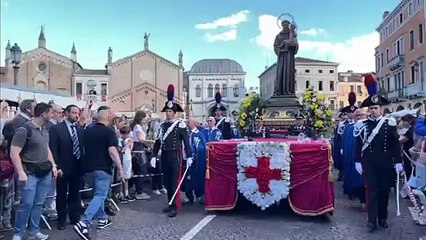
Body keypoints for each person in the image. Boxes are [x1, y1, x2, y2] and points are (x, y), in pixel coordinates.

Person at [354, 73, 403, 232]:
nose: (374, 111)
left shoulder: (390, 123)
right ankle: (371, 221)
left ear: (381, 108)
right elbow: (359, 143)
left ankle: (382, 217)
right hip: (370, 162)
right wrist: (357, 160)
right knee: (372, 191)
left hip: (386, 162)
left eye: (376, 108)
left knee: (383, 192)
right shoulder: (363, 125)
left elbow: (395, 144)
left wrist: (398, 162)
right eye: (371, 108)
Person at [73, 108, 124, 240]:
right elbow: (112, 151)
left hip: (88, 169)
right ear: (107, 118)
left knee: (97, 196)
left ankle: (102, 218)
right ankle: (84, 222)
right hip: (103, 168)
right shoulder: (109, 131)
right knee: (100, 195)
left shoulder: (88, 130)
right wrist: (121, 168)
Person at [10, 102, 57, 240]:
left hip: (45, 172)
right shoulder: (24, 130)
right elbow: (14, 153)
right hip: (30, 172)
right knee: (26, 204)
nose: (52, 115)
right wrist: (21, 172)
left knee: (38, 203)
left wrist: (53, 165)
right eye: (51, 112)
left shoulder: (44, 129)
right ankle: (18, 233)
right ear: (44, 114)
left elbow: (46, 148)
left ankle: (34, 231)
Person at [150, 84, 192, 218]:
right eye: (166, 111)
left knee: (174, 181)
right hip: (164, 155)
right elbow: (157, 142)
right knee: (167, 181)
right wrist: (153, 155)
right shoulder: (162, 126)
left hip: (175, 155)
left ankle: (174, 206)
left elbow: (186, 141)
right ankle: (170, 203)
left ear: (174, 113)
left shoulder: (180, 125)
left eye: (170, 112)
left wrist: (189, 156)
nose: (167, 113)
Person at [49, 104, 85, 230]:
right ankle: (62, 219)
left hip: (77, 166)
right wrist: (57, 166)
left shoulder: (79, 129)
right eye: (74, 113)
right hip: (63, 167)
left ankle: (74, 217)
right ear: (67, 113)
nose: (76, 115)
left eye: (78, 113)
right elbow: (53, 149)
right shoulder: (57, 129)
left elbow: (82, 147)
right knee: (61, 194)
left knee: (75, 193)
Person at [343, 108, 366, 211]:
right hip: (354, 158)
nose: (359, 117)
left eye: (361, 115)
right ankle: (362, 200)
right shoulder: (350, 127)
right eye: (357, 116)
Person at [42, 103, 63, 222]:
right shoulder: (50, 126)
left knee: (53, 187)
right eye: (59, 112)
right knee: (50, 187)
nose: (61, 115)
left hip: (55, 160)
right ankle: (49, 210)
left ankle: (51, 208)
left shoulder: (56, 125)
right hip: (50, 160)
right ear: (53, 112)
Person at [130, 111, 153, 200]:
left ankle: (137, 190)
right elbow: (140, 139)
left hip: (138, 149)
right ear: (141, 118)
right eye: (145, 117)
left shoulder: (136, 126)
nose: (146, 119)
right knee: (140, 170)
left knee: (138, 171)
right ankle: (139, 191)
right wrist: (150, 141)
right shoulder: (138, 127)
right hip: (138, 149)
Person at [185, 117, 208, 204]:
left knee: (197, 177)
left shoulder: (199, 134)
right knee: (187, 178)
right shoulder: (186, 133)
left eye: (189, 122)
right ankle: (189, 196)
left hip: (196, 161)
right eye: (187, 122)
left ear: (194, 124)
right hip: (186, 159)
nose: (187, 124)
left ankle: (199, 195)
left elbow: (202, 147)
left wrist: (194, 154)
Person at [273, 20, 298, 95]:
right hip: (281, 57)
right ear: (282, 26)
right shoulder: (278, 36)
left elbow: (295, 44)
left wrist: (292, 45)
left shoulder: (291, 35)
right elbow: (275, 46)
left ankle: (288, 90)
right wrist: (280, 49)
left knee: (288, 73)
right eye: (284, 25)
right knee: (280, 73)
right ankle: (279, 91)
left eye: (287, 25)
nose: (285, 26)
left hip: (289, 57)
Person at [117, 125, 135, 203]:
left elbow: (130, 143)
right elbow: (119, 149)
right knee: (121, 178)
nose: (126, 135)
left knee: (126, 178)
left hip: (127, 160)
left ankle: (126, 193)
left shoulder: (129, 140)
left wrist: (127, 146)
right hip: (121, 160)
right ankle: (120, 194)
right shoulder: (119, 140)